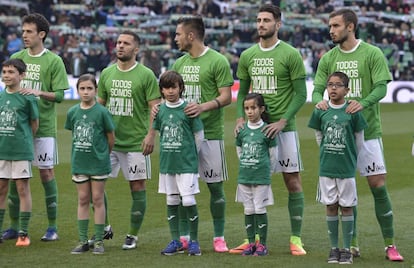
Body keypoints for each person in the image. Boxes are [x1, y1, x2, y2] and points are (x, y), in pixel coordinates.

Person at [312, 8, 404, 262]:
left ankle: (390, 244)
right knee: (344, 191)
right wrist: (317, 102)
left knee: (377, 185)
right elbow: (317, 89)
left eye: (336, 26)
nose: (331, 30)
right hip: (336, 136)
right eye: (330, 26)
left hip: (368, 131)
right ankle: (351, 244)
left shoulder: (372, 53)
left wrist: (362, 103)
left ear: (350, 27)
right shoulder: (328, 58)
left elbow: (382, 87)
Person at [232, 4, 307, 256]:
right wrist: (241, 118)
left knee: (292, 181)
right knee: (251, 182)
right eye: (258, 20)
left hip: (283, 130)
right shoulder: (248, 55)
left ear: (278, 24)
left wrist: (283, 121)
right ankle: (252, 239)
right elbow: (242, 90)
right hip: (254, 129)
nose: (261, 24)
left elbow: (301, 94)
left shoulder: (290, 54)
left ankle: (295, 238)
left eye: (266, 20)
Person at [2, 13, 69, 242]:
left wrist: (39, 92)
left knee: (46, 172)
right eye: (23, 31)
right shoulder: (16, 57)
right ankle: (13, 226)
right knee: (13, 177)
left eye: (29, 31)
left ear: (41, 34)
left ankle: (52, 227)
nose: (24, 35)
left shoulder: (54, 61)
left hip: (44, 127)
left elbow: (60, 95)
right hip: (17, 130)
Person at [172, 15, 233, 253]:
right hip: (183, 137)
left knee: (215, 187)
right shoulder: (179, 64)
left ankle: (219, 236)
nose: (174, 38)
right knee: (180, 189)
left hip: (211, 134)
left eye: (178, 34)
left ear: (191, 35)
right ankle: (185, 236)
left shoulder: (217, 60)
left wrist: (202, 107)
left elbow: (226, 96)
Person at [97, 30, 161, 250]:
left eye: (125, 43)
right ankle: (104, 227)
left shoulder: (146, 75)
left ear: (136, 49)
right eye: (118, 42)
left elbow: (156, 108)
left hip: (135, 143)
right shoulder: (106, 73)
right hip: (109, 142)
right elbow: (99, 107)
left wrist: (151, 135)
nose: (120, 46)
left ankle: (132, 235)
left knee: (137, 186)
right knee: (96, 184)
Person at [308, 72, 367, 264]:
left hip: (346, 167)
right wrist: (327, 151)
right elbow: (319, 135)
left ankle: (347, 248)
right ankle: (333, 248)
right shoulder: (320, 110)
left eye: (338, 85)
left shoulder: (353, 110)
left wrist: (351, 158)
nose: (333, 88)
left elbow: (359, 138)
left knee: (347, 207)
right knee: (331, 206)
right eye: (330, 85)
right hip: (327, 167)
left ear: (347, 89)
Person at [154, 70, 204, 256]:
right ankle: (176, 240)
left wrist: (190, 154)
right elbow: (160, 132)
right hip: (168, 163)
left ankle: (194, 241)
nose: (170, 91)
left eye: (173, 87)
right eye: (166, 88)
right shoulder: (159, 110)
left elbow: (199, 136)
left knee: (189, 199)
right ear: (162, 90)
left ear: (181, 88)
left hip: (186, 163)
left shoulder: (189, 109)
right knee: (172, 200)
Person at [65, 74, 115, 254]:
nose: (85, 92)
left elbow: (111, 138)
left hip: (98, 163)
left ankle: (100, 241)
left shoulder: (102, 112)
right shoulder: (72, 112)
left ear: (95, 90)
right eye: (82, 88)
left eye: (89, 88)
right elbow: (74, 135)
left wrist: (103, 155)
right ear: (77, 90)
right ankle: (82, 240)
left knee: (98, 199)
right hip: (80, 162)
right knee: (83, 199)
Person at [0, 58, 39, 246]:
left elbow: (34, 124)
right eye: (4, 72)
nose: (6, 75)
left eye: (11, 72)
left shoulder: (28, 97)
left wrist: (24, 141)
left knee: (22, 189)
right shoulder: (0, 96)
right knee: (1, 189)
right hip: (2, 150)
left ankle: (23, 233)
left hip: (21, 150)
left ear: (21, 75)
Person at [235, 93, 276, 257]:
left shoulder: (267, 130)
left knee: (260, 208)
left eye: (253, 108)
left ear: (261, 109)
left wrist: (267, 171)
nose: (250, 112)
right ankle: (251, 242)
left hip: (261, 176)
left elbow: (273, 155)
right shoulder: (241, 130)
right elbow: (239, 150)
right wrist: (248, 162)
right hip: (245, 175)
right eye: (246, 108)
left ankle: (262, 244)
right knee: (248, 209)